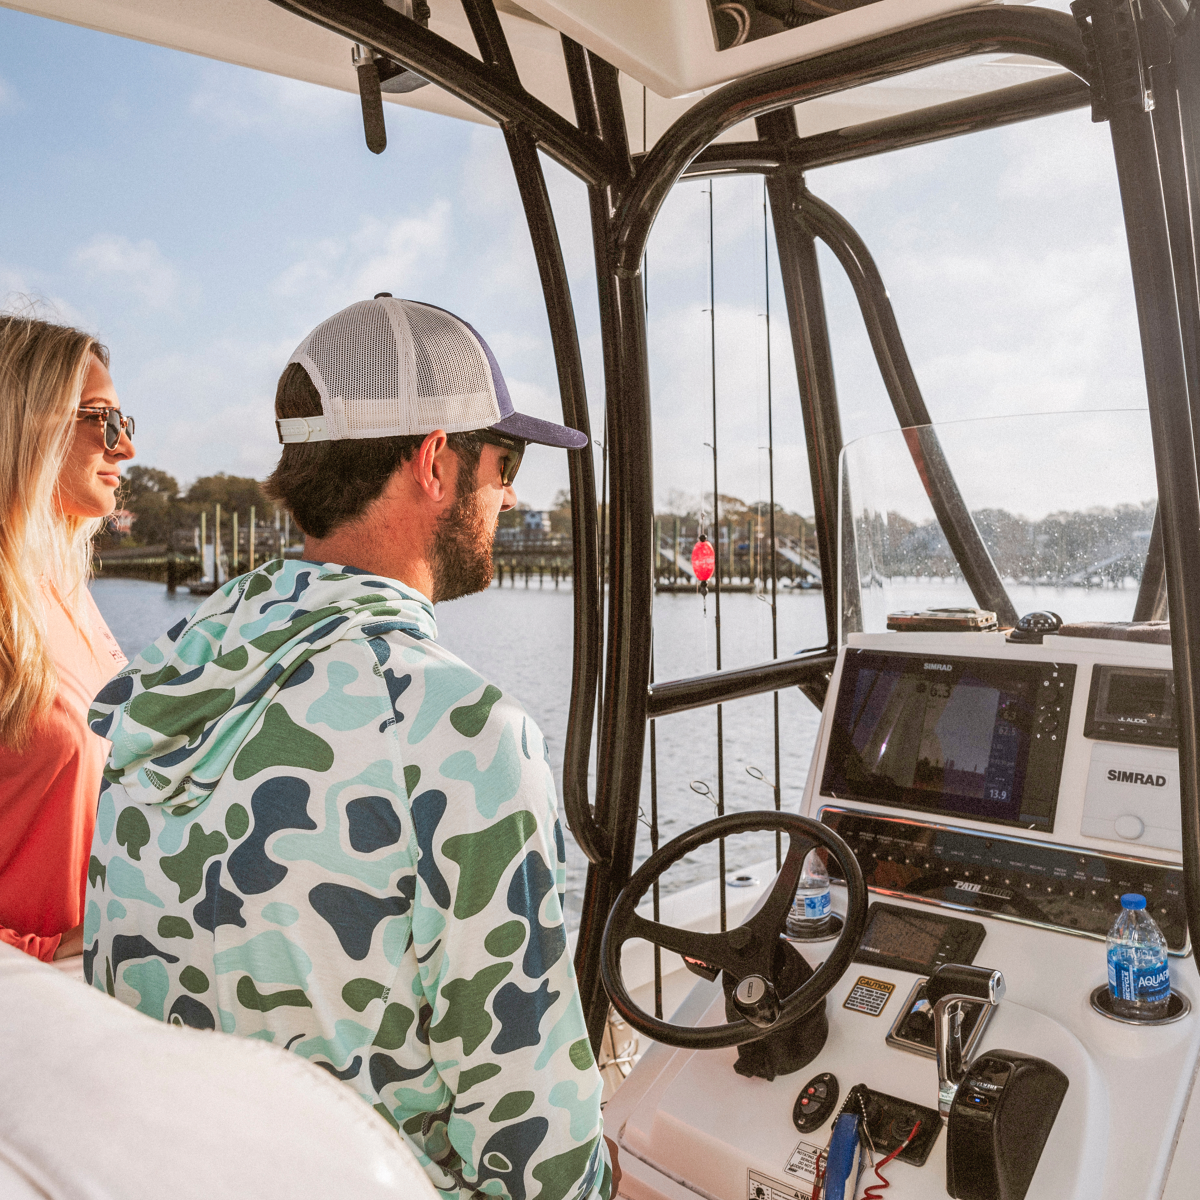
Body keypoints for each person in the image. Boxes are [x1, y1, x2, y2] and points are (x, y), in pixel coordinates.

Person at [87, 296, 619, 1198]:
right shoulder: (459, 734)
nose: (510, 495)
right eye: (506, 463)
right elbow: (539, 1155)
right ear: (436, 462)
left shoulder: (165, 682)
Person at [0, 315, 132, 962]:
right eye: (103, 420)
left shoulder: (61, 589)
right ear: (25, 422)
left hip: (98, 998)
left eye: (125, 423)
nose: (124, 447)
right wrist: (53, 950)